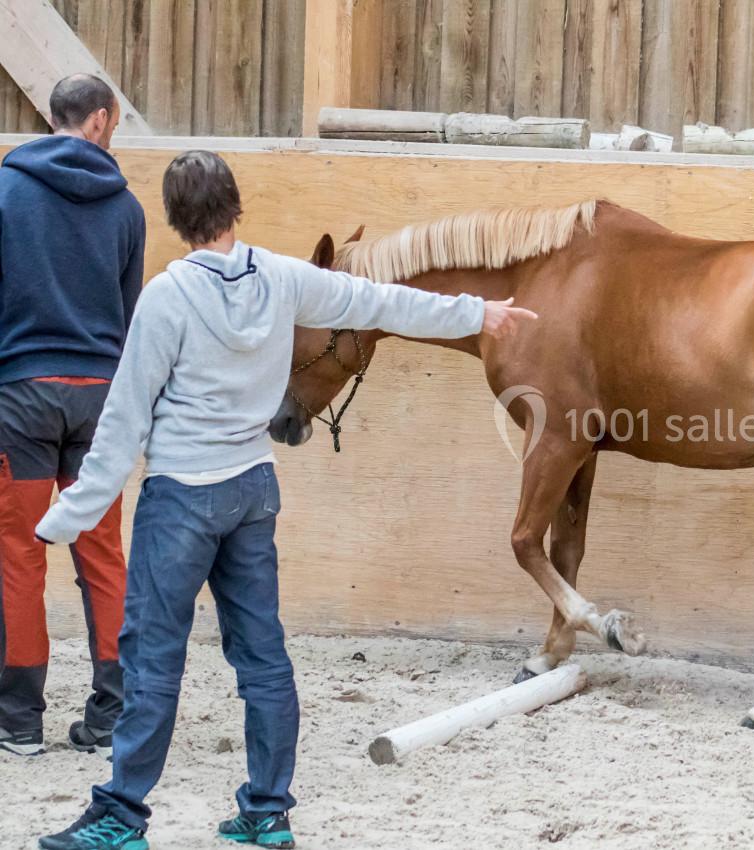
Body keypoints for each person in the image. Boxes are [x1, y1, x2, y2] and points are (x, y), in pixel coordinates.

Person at [34, 150, 537, 850]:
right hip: (250, 490)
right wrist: (476, 311)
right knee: (263, 656)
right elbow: (382, 301)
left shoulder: (168, 295)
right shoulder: (281, 275)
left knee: (153, 658)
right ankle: (267, 812)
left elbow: (124, 420)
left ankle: (122, 814)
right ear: (236, 207)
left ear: (176, 219)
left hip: (181, 495)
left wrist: (71, 511)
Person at [0, 74, 144, 758]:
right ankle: (111, 716)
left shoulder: (4, 191)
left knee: (18, 556)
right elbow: (126, 315)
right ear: (102, 119)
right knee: (103, 555)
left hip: (20, 394)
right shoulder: (128, 209)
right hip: (100, 398)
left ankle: (19, 722)